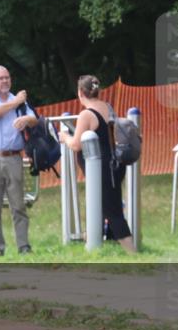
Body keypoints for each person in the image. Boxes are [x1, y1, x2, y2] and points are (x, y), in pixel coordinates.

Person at [58, 74, 136, 253]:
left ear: (80, 93)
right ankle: (93, 244)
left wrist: (65, 137)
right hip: (115, 165)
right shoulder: (107, 107)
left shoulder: (86, 114)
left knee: (113, 212)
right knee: (103, 206)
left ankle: (133, 254)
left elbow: (76, 144)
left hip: (102, 169)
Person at [0, 65, 38, 256]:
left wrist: (27, 120)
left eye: (7, 77)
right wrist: (18, 101)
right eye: (0, 78)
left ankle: (24, 246)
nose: (5, 81)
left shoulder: (17, 100)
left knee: (18, 206)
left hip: (13, 157)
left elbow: (35, 119)